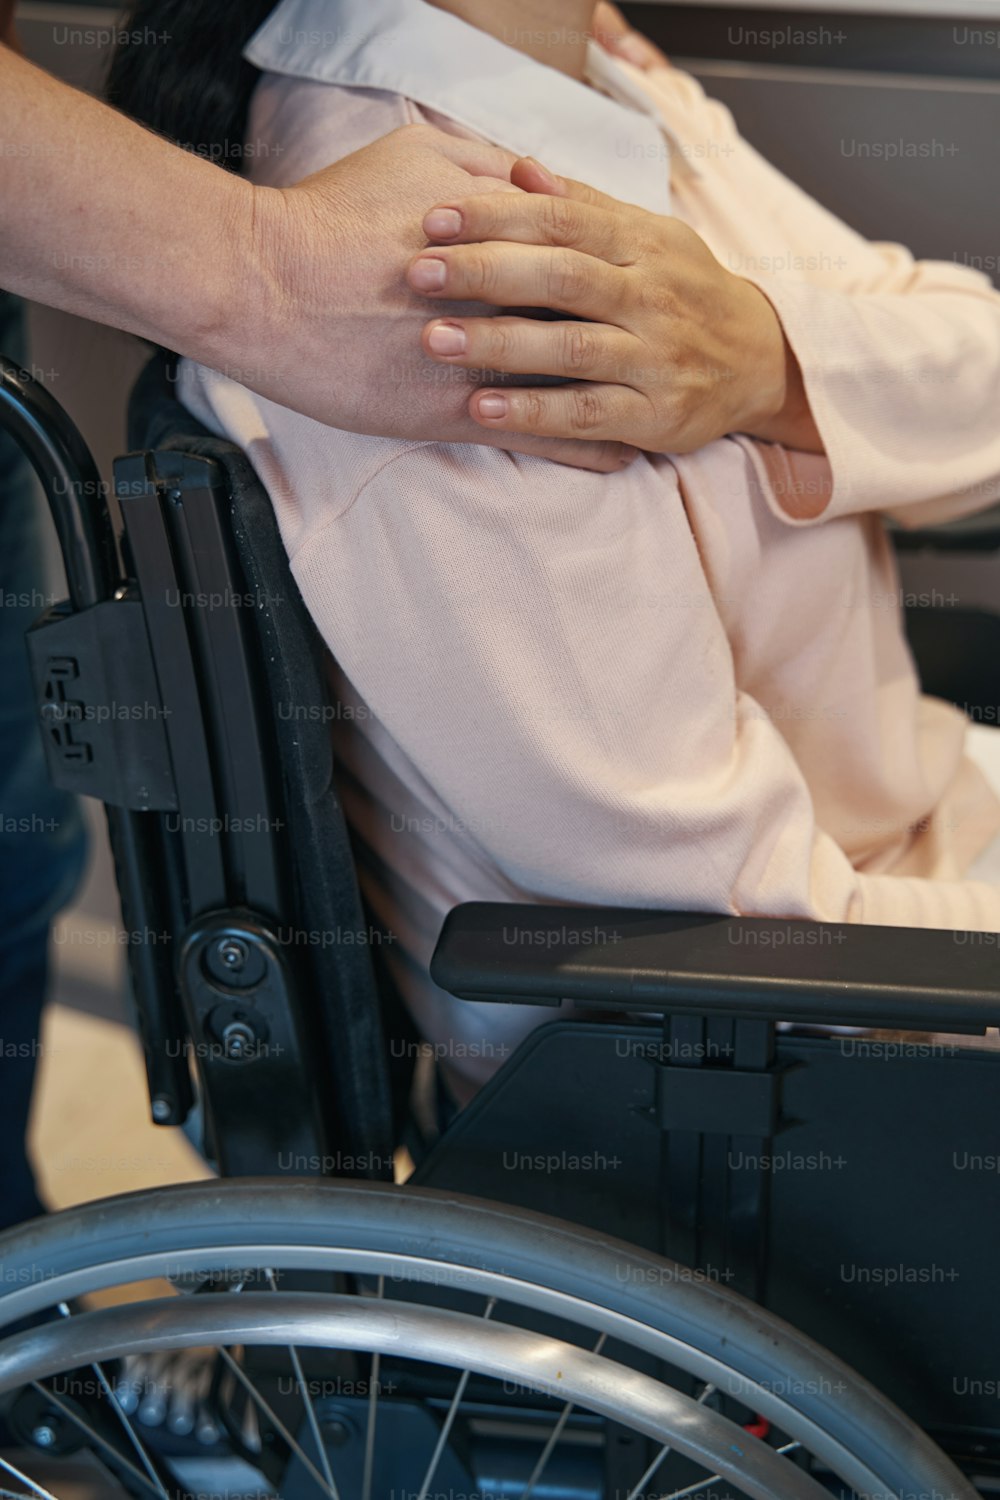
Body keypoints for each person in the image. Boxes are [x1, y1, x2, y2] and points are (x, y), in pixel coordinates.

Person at [101, 0, 1000, 1105]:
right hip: (802, 1055)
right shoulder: (438, 275)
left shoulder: (593, 85)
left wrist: (766, 357)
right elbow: (755, 939)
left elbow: (979, 362)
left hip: (931, 841)